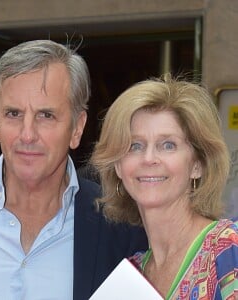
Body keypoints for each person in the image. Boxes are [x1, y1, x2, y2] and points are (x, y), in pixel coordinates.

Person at [0, 40, 148, 300]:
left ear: (77, 128)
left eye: (45, 115)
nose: (27, 134)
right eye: (13, 114)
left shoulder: (119, 227)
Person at [91, 74, 238, 299]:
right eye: (135, 146)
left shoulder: (230, 250)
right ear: (118, 167)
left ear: (197, 165)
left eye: (168, 145)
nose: (149, 158)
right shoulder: (129, 278)